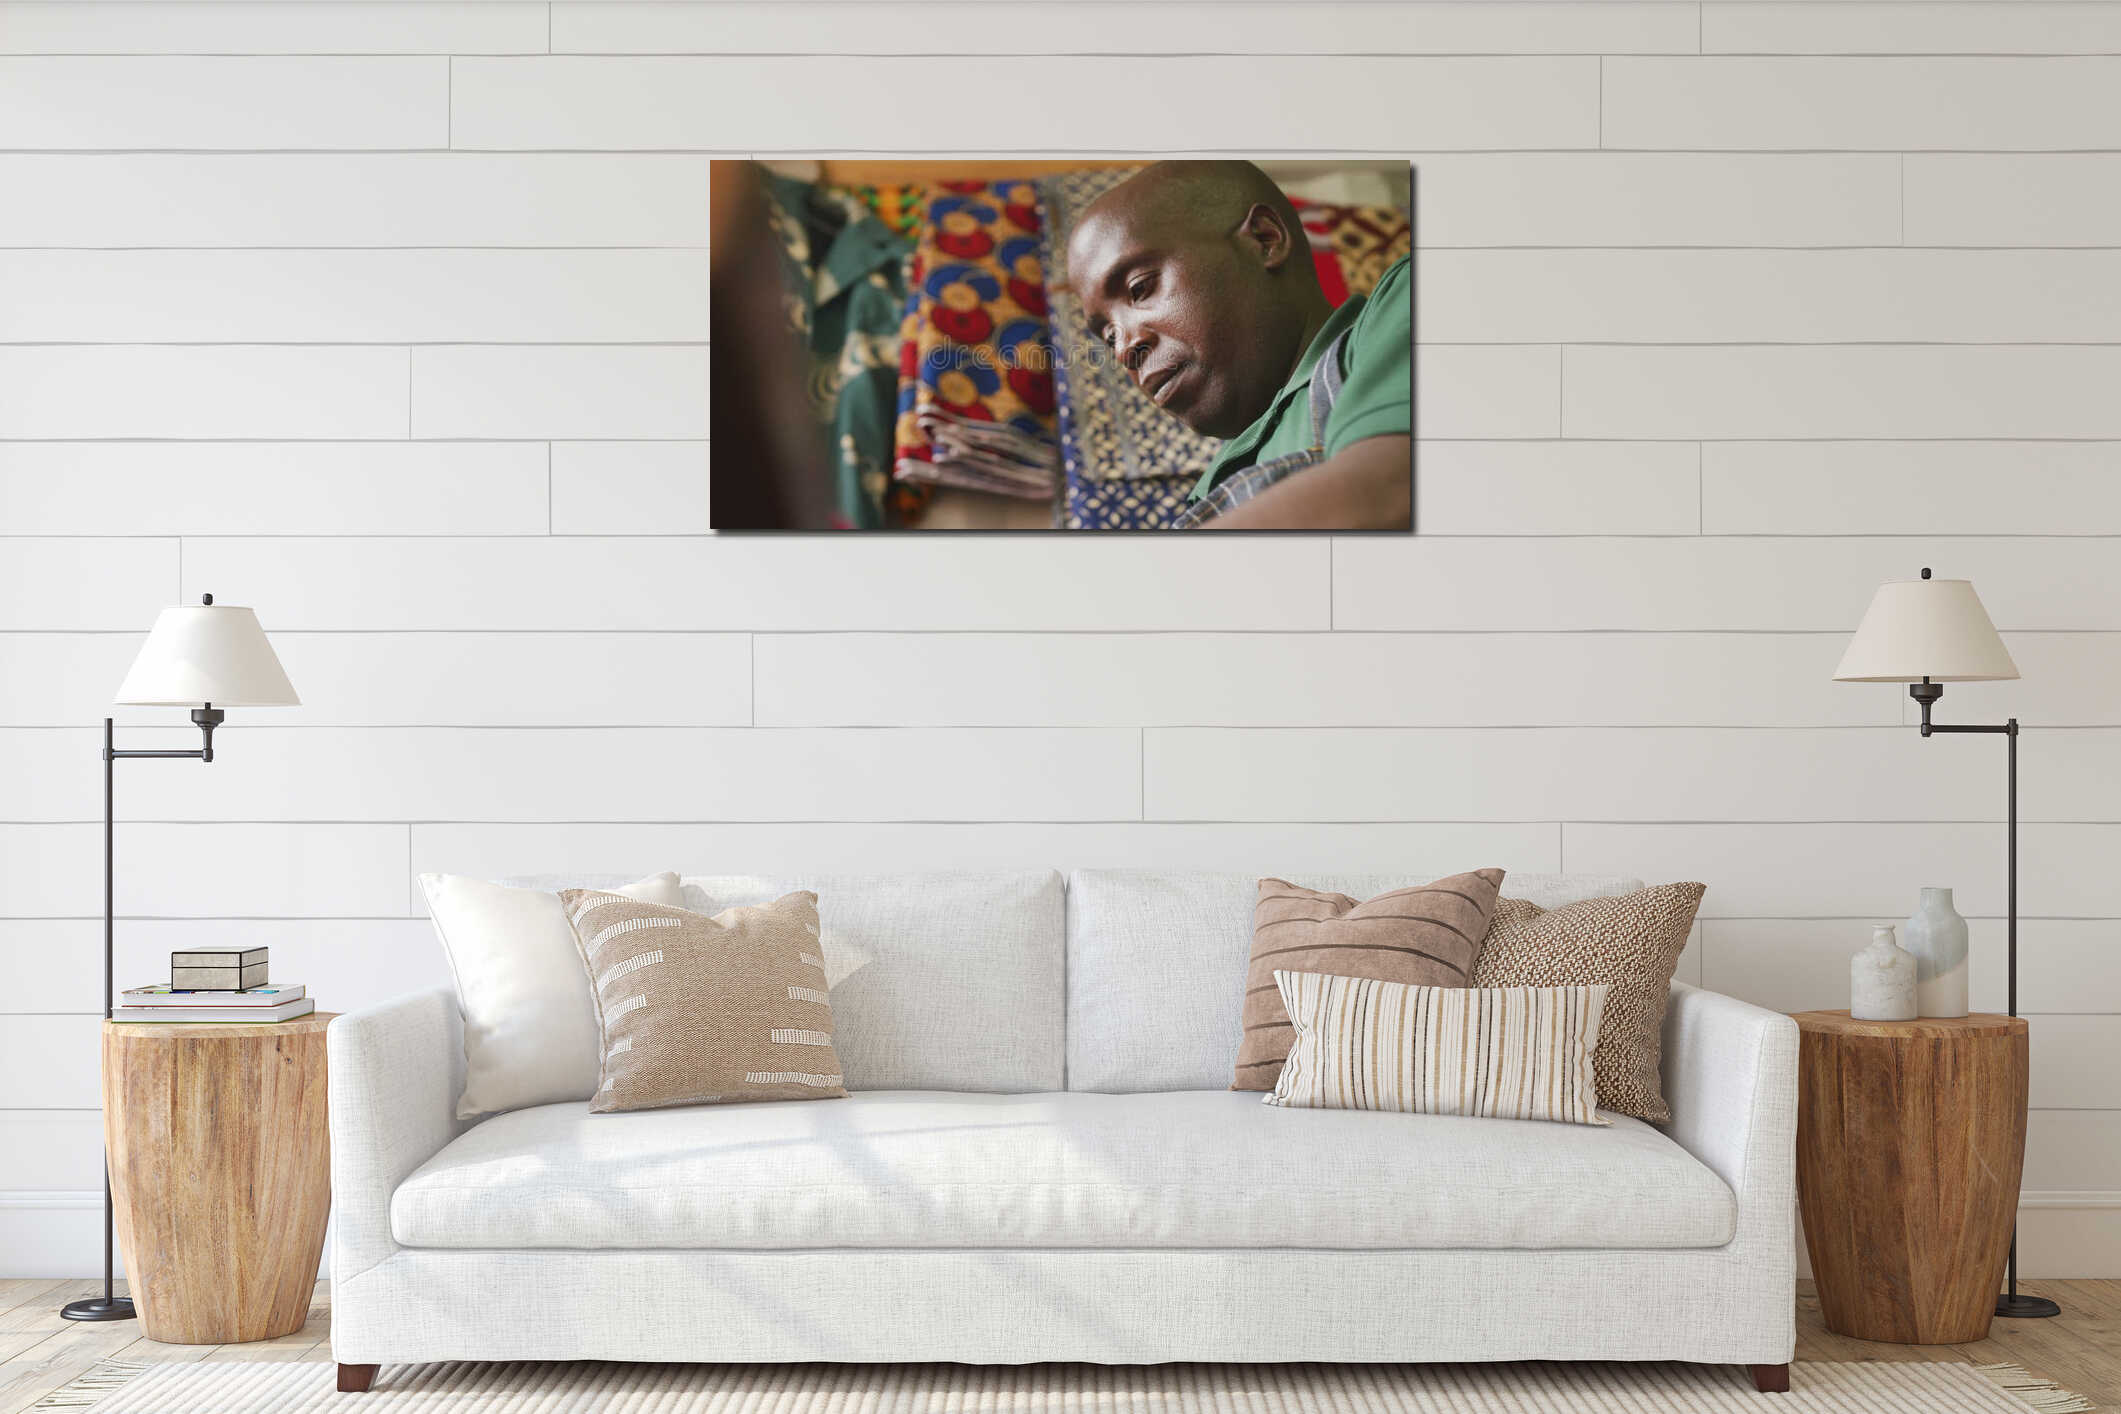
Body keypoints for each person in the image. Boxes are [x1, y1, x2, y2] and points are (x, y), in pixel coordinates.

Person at [1064, 160, 1411, 530]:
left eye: (1139, 289)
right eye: (1109, 336)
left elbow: (1387, 487)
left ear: (1264, 239)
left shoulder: (1402, 306)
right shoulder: (1205, 493)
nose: (1124, 350)